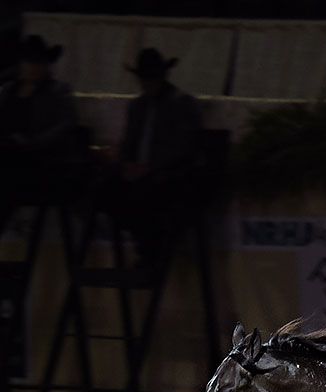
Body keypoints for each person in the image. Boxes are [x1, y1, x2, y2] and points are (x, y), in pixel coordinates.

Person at [98, 47, 202, 266]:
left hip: (167, 175)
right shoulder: (137, 106)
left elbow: (183, 146)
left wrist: (151, 167)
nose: (148, 84)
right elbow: (129, 141)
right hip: (139, 173)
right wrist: (125, 163)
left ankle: (151, 251)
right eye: (144, 79)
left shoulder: (182, 104)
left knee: (146, 195)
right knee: (108, 189)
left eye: (152, 78)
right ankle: (146, 245)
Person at [0, 34, 78, 231]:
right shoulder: (7, 90)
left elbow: (67, 124)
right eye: (29, 61)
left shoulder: (58, 91)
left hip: (39, 162)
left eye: (39, 62)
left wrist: (32, 142)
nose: (34, 67)